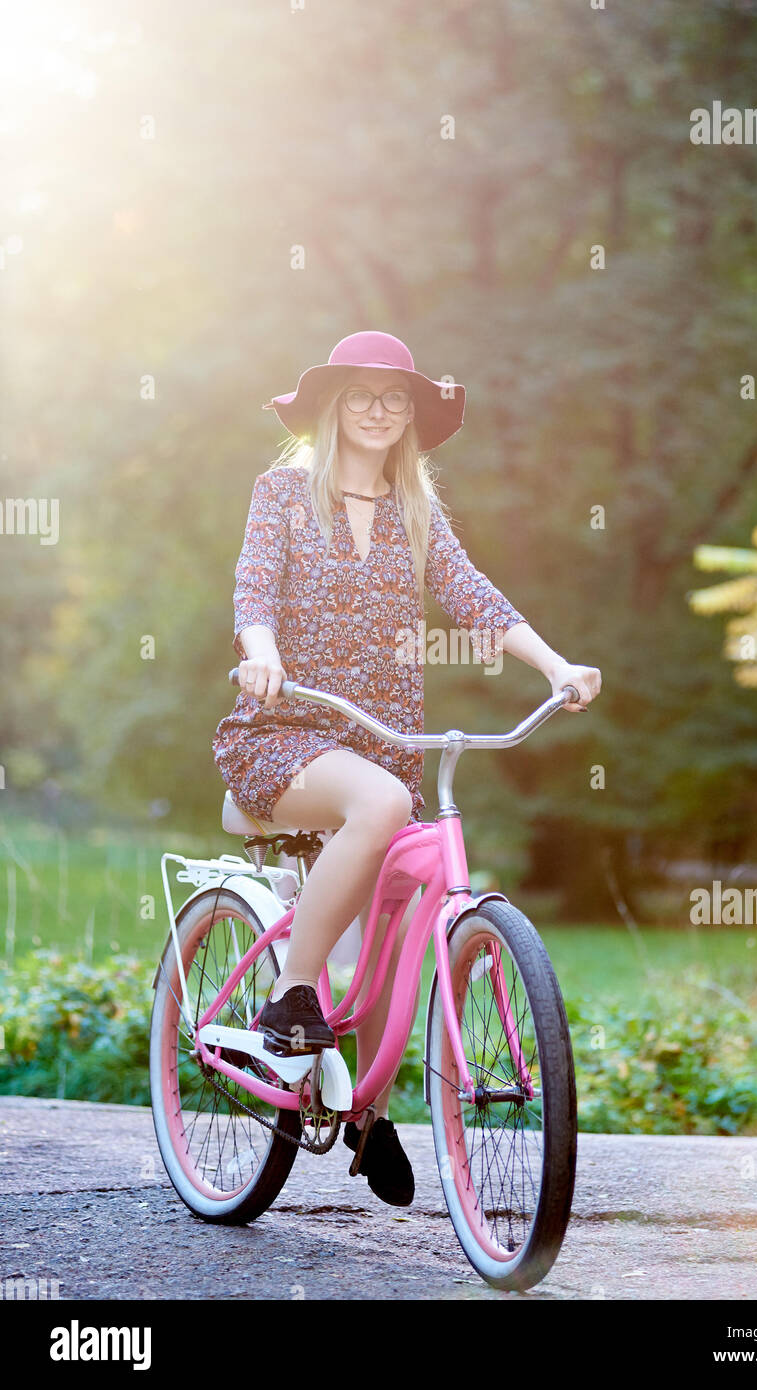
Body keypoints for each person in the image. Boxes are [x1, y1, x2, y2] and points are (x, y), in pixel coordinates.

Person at [212, 330, 602, 1205]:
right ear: (332, 406)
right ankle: (294, 994)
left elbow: (474, 594)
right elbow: (252, 591)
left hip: (386, 745)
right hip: (285, 734)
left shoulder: (415, 510)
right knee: (384, 803)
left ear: (413, 417)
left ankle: (368, 1110)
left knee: (407, 912)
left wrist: (556, 667)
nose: (381, 410)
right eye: (362, 394)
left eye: (397, 398)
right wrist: (262, 651)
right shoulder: (281, 493)